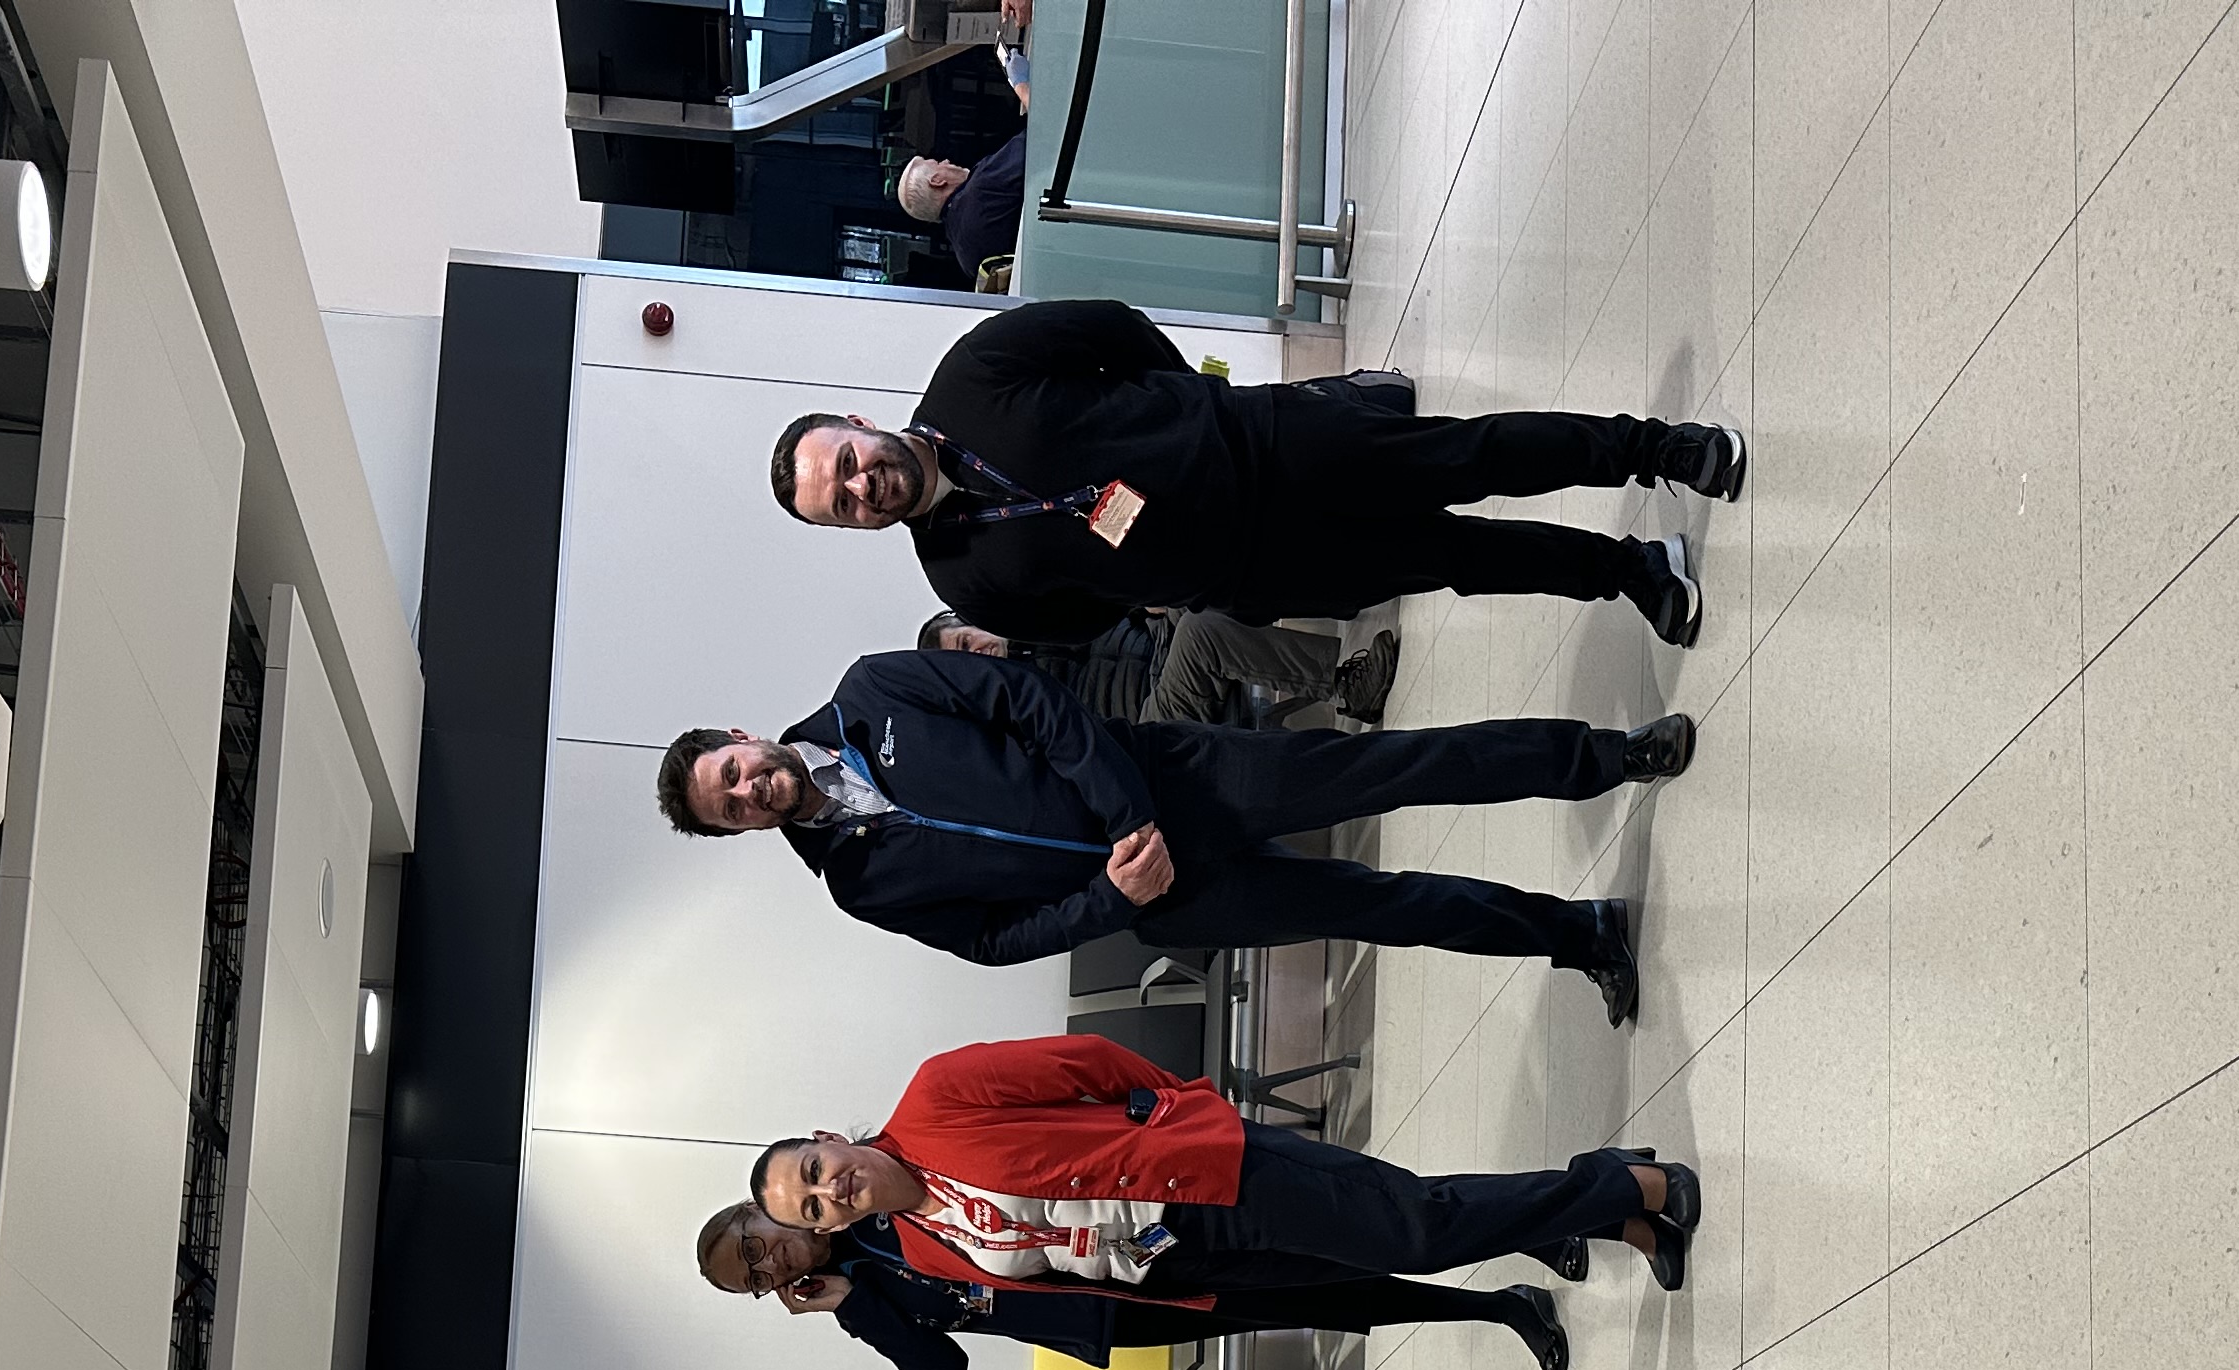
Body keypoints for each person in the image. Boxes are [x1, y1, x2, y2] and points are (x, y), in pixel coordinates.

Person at [658, 645, 1686, 1015]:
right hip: (1170, 896)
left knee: (1395, 768)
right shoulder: (857, 884)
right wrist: (1120, 895)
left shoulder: (871, 690)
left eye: (735, 772)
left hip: (1174, 781)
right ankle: (1578, 934)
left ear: (746, 738)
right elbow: (990, 939)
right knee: (1383, 909)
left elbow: (1030, 704)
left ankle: (1606, 756)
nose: (752, 792)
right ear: (741, 831)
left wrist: (1127, 817)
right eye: (733, 808)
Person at [764, 298, 1746, 651]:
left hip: (1267, 444)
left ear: (859, 425)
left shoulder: (974, 374)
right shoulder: (962, 580)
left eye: (846, 463)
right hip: (1257, 574)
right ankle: (1633, 572)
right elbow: (1083, 619)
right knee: (1460, 558)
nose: (861, 485)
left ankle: (1654, 448)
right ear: (849, 528)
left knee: (1468, 455)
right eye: (842, 503)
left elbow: (1112, 329)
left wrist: (1184, 414)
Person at [746, 1036, 1701, 1310]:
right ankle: (1611, 1213)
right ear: (825, 1230)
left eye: (817, 1168)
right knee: (1400, 1250)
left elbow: (1094, 1068)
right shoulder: (925, 1246)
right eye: (816, 1206)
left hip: (1209, 1176)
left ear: (832, 1137)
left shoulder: (937, 1094)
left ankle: (1622, 1183)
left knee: (1414, 1223)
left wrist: (1178, 1120)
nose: (833, 1191)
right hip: (1183, 1262)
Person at [695, 1196, 1568, 1370]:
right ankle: (1501, 1306)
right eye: (756, 1278)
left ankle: (1522, 1221)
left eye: (752, 1245)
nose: (768, 1261)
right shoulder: (863, 1294)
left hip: (1132, 1232)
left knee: (1331, 1230)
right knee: (1334, 1300)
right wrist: (846, 1302)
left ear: (756, 1210)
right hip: (1124, 1302)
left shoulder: (867, 1192)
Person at [922, 605, 1399, 730]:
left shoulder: (1035, 620)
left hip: (1159, 648)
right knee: (1203, 632)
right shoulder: (1013, 707)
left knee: (1182, 577)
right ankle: (1346, 687)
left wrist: (1144, 602)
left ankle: (1334, 586)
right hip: (1151, 720)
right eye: (964, 660)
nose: (977, 652)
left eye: (967, 641)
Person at [897, 133, 1025, 279]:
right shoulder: (983, 186)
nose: (946, 161)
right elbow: (1035, 142)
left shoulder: (965, 259)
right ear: (937, 180)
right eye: (939, 164)